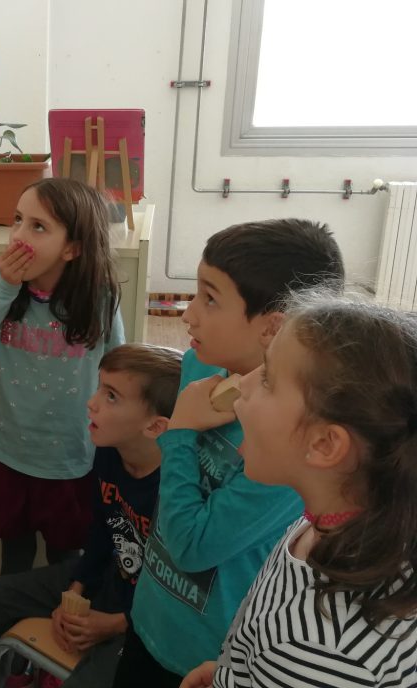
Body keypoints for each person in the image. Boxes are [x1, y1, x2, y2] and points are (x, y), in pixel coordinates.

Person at [112, 219, 345, 687]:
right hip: (151, 613)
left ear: (272, 326)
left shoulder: (286, 440)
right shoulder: (199, 365)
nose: (188, 314)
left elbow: (192, 547)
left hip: (206, 656)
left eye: (210, 299)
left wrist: (180, 431)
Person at [181, 293, 417, 688]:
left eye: (268, 378)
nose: (243, 384)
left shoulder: (317, 650)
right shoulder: (331, 521)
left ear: (324, 445)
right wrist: (233, 673)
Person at [0, 344, 182, 688]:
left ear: (155, 427)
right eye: (99, 387)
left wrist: (114, 624)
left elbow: (175, 595)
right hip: (109, 581)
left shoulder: (176, 490)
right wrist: (73, 594)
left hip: (147, 619)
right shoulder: (108, 452)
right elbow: (100, 536)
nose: (92, 402)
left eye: (111, 396)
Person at [0, 179, 124, 576]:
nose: (18, 235)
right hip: (8, 452)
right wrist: (3, 288)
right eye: (17, 220)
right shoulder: (4, 284)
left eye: (38, 226)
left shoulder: (99, 296)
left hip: (70, 459)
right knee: (13, 562)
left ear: (72, 248)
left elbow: (118, 369)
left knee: (65, 565)